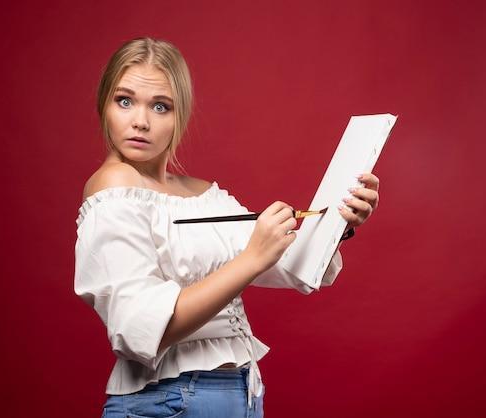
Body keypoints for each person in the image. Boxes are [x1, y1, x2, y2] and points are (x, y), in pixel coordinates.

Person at [74, 37, 380, 418]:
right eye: (124, 101)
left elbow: (291, 265)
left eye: (160, 106)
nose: (140, 120)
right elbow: (138, 330)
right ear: (104, 106)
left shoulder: (204, 194)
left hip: (240, 397)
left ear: (179, 115)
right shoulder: (114, 188)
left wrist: (341, 219)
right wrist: (250, 259)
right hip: (165, 401)